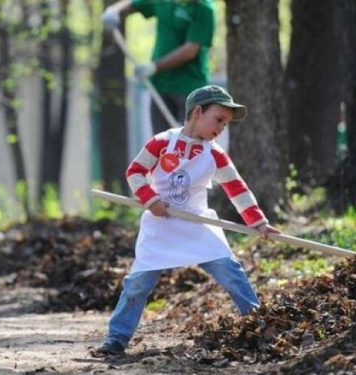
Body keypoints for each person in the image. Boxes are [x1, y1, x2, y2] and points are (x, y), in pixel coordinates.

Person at [94, 85, 282, 355]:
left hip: (198, 224)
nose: (221, 128)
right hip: (161, 224)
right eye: (218, 119)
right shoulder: (160, 142)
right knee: (137, 284)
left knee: (232, 274)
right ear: (197, 112)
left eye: (226, 124)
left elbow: (237, 188)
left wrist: (259, 222)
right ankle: (116, 338)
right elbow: (135, 172)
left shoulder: (216, 154)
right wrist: (151, 200)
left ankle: (261, 326)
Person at [101, 0, 216, 135]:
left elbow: (191, 50)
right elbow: (134, 4)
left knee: (189, 144)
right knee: (161, 142)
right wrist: (114, 11)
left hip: (189, 87)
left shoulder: (204, 9)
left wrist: (154, 67)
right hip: (161, 85)